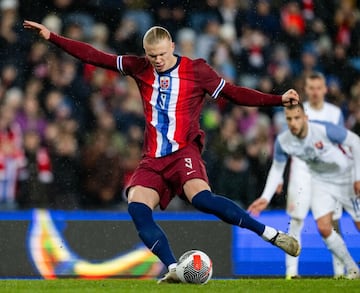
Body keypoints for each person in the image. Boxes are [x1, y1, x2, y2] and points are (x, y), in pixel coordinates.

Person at [24, 20, 301, 283]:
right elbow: (94, 56)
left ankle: (270, 234)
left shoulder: (197, 71)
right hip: (153, 159)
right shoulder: (139, 67)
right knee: (137, 208)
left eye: (160, 54)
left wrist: (278, 100)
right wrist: (53, 37)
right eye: (151, 55)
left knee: (202, 199)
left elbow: (234, 93)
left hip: (184, 153)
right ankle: (173, 267)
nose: (156, 60)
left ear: (171, 45)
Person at [248, 103, 360, 280]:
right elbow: (277, 169)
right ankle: (353, 270)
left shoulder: (324, 130)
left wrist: (357, 177)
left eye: (297, 118)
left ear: (305, 118)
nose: (293, 123)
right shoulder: (284, 140)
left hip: (346, 178)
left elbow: (355, 142)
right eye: (289, 119)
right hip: (322, 182)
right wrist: (265, 197)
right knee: (324, 228)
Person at [275, 72, 346, 278]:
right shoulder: (296, 112)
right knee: (296, 221)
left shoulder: (334, 113)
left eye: (318, 88)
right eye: (311, 88)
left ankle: (340, 272)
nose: (315, 92)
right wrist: (279, 175)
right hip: (301, 173)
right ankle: (291, 273)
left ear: (325, 89)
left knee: (332, 222)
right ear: (306, 90)